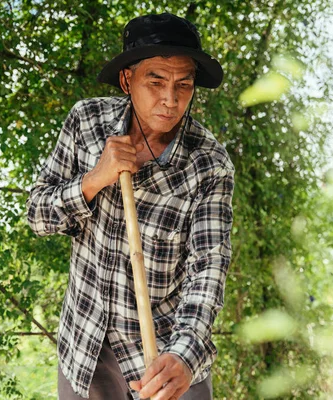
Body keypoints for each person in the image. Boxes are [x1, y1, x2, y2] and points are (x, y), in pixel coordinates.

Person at [26, 12, 234, 400]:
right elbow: (37, 216)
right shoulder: (86, 123)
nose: (170, 100)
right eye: (155, 81)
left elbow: (209, 269)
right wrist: (94, 179)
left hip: (165, 360)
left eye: (183, 85)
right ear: (127, 80)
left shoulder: (210, 163)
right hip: (86, 346)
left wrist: (184, 357)